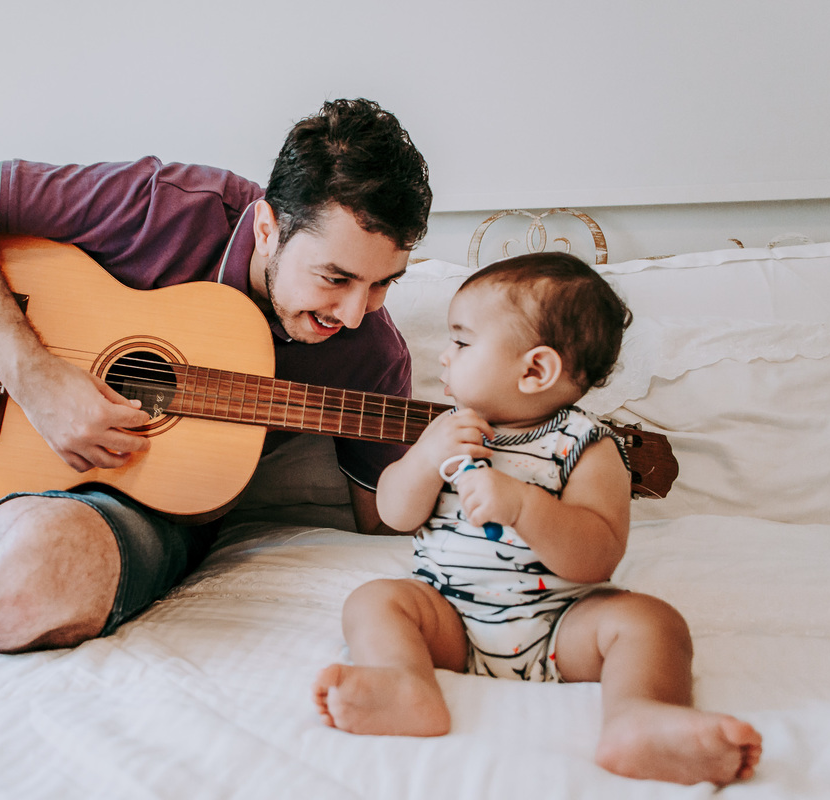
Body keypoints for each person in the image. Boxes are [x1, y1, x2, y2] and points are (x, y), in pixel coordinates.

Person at [0, 98, 432, 670]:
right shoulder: (168, 204)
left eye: (382, 283)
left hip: (141, 512)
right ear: (270, 227)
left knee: (23, 586)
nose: (353, 310)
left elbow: (381, 521)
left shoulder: (373, 356)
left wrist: (461, 464)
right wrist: (36, 380)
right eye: (335, 278)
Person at [311, 252, 763, 786]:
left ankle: (639, 717)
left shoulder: (587, 448)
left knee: (651, 622)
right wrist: (424, 459)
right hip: (449, 620)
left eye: (461, 341)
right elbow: (394, 513)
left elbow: (597, 558)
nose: (444, 356)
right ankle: (403, 683)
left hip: (559, 630)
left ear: (535, 370)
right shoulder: (446, 431)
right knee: (376, 600)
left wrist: (524, 506)